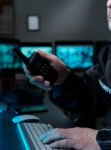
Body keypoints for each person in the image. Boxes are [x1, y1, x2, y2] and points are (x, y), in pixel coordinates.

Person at [23, 0, 111, 149]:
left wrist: (102, 140)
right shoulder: (107, 55)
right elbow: (92, 98)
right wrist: (62, 78)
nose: (109, 3)